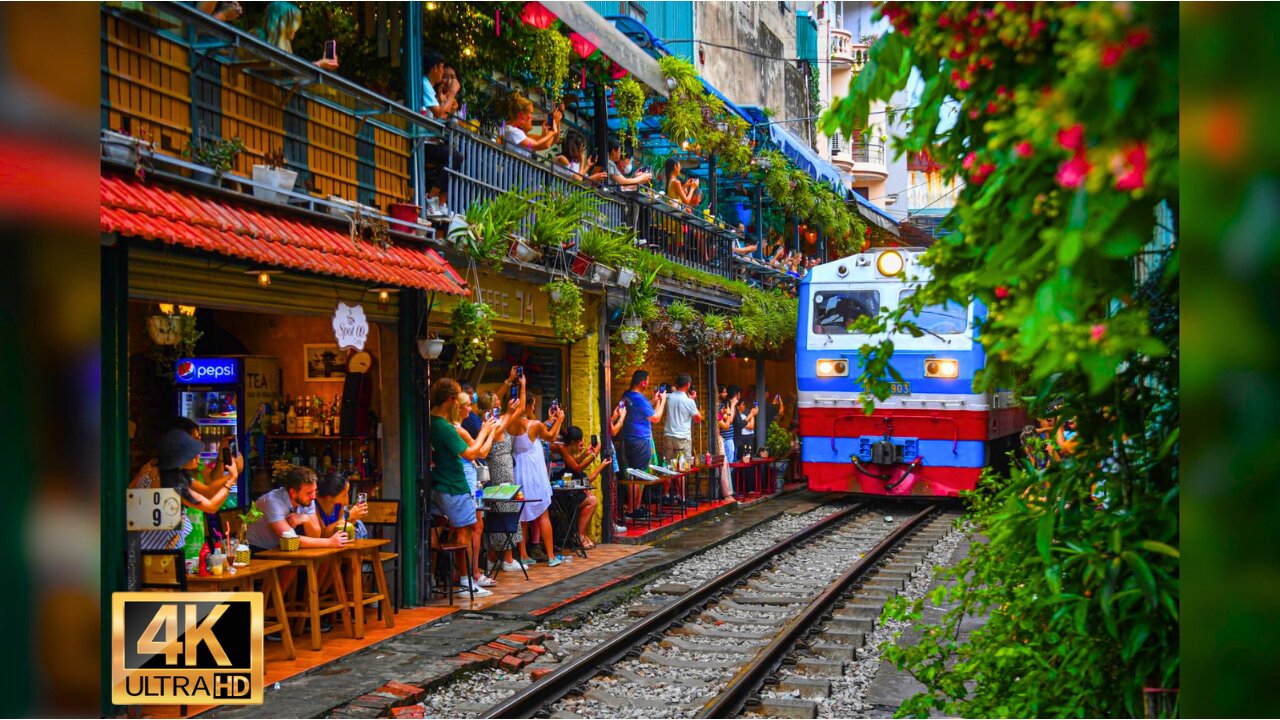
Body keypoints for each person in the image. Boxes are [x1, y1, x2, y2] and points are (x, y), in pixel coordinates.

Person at [428, 378, 495, 597]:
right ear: (450, 400)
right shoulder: (446, 428)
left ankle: (436, 578)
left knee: (443, 532)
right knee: (464, 531)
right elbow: (470, 453)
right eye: (458, 400)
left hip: (440, 483)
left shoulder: (430, 422)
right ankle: (466, 581)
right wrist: (485, 430)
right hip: (453, 485)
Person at [139, 429, 235, 551]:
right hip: (160, 554)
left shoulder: (159, 472)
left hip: (147, 547)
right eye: (192, 455)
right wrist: (231, 480)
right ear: (179, 460)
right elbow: (211, 507)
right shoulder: (173, 485)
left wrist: (230, 477)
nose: (198, 458)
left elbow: (208, 491)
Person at [509, 390, 566, 566]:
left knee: (522, 515)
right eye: (533, 405)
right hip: (534, 473)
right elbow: (550, 437)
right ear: (528, 405)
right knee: (542, 514)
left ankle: (524, 554)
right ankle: (550, 556)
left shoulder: (509, 423)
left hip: (519, 471)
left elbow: (533, 430)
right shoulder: (533, 425)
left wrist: (549, 421)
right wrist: (559, 420)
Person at [476, 382, 526, 573]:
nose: (500, 405)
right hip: (499, 468)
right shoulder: (492, 425)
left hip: (505, 466)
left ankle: (493, 557)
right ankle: (506, 558)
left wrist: (522, 385)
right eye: (496, 403)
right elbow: (513, 413)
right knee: (503, 508)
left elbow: (519, 407)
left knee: (506, 507)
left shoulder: (495, 422)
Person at [452, 388, 499, 589]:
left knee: (473, 527)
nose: (470, 409)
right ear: (460, 407)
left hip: (469, 481)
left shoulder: (456, 427)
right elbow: (479, 452)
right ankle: (471, 575)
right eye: (468, 405)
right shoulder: (458, 430)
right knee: (471, 529)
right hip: (466, 482)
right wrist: (487, 433)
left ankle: (470, 574)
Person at [245, 465, 344, 551]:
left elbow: (315, 536)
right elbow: (291, 540)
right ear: (293, 493)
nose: (314, 496)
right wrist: (329, 542)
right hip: (255, 550)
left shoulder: (307, 500)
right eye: (309, 493)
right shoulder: (273, 501)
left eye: (315, 491)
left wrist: (307, 519)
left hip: (279, 548)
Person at [620, 370, 667, 519]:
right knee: (639, 475)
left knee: (633, 474)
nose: (648, 383)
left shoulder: (627, 395)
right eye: (647, 380)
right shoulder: (640, 399)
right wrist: (663, 400)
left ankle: (634, 508)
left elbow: (640, 409)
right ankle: (634, 509)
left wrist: (654, 401)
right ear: (643, 382)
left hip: (628, 439)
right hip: (640, 440)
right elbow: (656, 418)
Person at [420, 52, 463, 214]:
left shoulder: (428, 87)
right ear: (435, 68)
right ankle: (431, 197)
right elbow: (439, 113)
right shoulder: (424, 84)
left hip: (430, 140)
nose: (443, 74)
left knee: (454, 157)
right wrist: (452, 93)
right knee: (455, 157)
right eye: (442, 69)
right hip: (422, 141)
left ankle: (440, 202)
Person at [550, 426, 605, 550]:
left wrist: (586, 454)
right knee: (592, 500)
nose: (581, 444)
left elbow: (573, 464)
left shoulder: (565, 447)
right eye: (579, 442)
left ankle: (581, 534)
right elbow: (576, 467)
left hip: (566, 483)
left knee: (590, 497)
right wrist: (594, 455)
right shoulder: (561, 446)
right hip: (558, 486)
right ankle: (579, 535)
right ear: (573, 442)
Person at [253, 2, 338, 71]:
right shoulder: (257, 35)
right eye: (293, 26)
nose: (294, 32)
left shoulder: (285, 45)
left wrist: (321, 64)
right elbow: (286, 73)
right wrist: (319, 64)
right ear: (283, 23)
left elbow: (292, 74)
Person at [659, 373, 702, 506]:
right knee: (682, 468)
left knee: (668, 467)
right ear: (688, 385)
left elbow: (669, 395)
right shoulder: (689, 401)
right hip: (683, 438)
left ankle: (666, 495)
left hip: (668, 437)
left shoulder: (669, 397)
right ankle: (682, 498)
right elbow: (698, 418)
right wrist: (693, 400)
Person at [315, 471, 369, 540]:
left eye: (347, 492)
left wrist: (354, 517)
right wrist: (348, 517)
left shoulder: (342, 500)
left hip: (338, 539)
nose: (347, 496)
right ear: (329, 498)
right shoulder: (313, 504)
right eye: (344, 495)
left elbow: (343, 524)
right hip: (325, 542)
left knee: (359, 525)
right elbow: (323, 535)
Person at [719, 385, 741, 464]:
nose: (726, 394)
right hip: (726, 437)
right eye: (724, 392)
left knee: (730, 461)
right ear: (718, 394)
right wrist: (732, 405)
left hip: (728, 437)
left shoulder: (724, 405)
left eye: (726, 392)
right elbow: (730, 419)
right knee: (729, 463)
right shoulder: (720, 407)